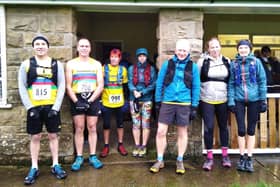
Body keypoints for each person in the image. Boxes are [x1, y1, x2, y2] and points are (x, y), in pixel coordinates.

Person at [18, 35, 67, 185]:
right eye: (37, 44)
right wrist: (30, 107)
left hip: (51, 107)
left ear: (48, 46)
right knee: (35, 137)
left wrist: (56, 107)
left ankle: (55, 164)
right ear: (33, 47)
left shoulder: (56, 64)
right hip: (35, 108)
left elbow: (62, 85)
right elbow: (22, 87)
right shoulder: (26, 64)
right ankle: (34, 167)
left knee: (53, 135)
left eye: (43, 44)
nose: (40, 46)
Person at [150, 39, 200, 174]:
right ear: (175, 51)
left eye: (184, 50)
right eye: (179, 50)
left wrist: (194, 106)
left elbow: (196, 87)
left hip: (184, 103)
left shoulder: (193, 67)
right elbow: (159, 83)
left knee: (182, 132)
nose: (181, 53)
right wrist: (158, 102)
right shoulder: (167, 64)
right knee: (161, 131)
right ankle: (160, 160)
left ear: (188, 52)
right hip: (168, 101)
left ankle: (180, 160)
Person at [228, 39, 267, 173]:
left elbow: (262, 81)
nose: (243, 50)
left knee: (251, 129)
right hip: (238, 99)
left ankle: (249, 158)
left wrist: (263, 100)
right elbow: (231, 83)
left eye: (245, 48)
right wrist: (231, 101)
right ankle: (241, 157)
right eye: (240, 48)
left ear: (250, 49)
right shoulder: (233, 64)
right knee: (241, 129)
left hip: (254, 99)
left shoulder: (256, 62)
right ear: (238, 50)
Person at [66, 38, 104, 171]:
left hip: (92, 97)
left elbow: (100, 85)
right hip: (77, 97)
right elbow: (68, 86)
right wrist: (77, 102)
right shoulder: (71, 64)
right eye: (81, 46)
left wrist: (90, 100)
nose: (84, 48)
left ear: (90, 48)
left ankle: (93, 155)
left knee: (92, 127)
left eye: (86, 46)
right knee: (79, 127)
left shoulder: (96, 64)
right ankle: (79, 156)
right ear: (77, 48)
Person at [197, 37, 231, 171]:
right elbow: (196, 80)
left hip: (223, 99)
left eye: (217, 46)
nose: (215, 49)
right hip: (207, 100)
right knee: (209, 128)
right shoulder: (202, 62)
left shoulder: (227, 61)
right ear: (208, 49)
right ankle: (209, 157)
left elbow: (231, 81)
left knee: (223, 127)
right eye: (212, 47)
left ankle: (225, 156)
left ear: (220, 47)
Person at [100, 48, 129, 158]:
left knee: (120, 124)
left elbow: (125, 86)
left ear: (119, 58)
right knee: (106, 124)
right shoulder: (104, 68)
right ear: (110, 58)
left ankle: (120, 144)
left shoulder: (123, 70)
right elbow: (99, 84)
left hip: (119, 102)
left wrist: (126, 100)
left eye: (116, 57)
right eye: (112, 57)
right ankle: (106, 145)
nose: (114, 59)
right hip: (106, 101)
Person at [128, 48, 156, 157]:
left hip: (146, 99)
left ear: (146, 56)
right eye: (140, 56)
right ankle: (137, 145)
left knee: (145, 123)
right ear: (137, 57)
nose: (142, 57)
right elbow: (129, 82)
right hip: (134, 99)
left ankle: (144, 145)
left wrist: (142, 92)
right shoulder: (131, 68)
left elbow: (153, 84)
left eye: (144, 55)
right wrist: (134, 91)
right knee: (135, 124)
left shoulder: (151, 69)